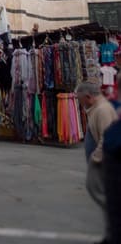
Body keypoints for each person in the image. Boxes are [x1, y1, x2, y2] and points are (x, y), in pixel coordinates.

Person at [76, 80, 117, 244]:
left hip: (102, 165)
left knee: (107, 200)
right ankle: (111, 234)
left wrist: (96, 158)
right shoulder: (97, 109)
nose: (80, 103)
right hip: (101, 164)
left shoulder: (102, 110)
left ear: (88, 97)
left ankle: (113, 234)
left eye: (80, 99)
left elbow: (106, 139)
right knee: (105, 200)